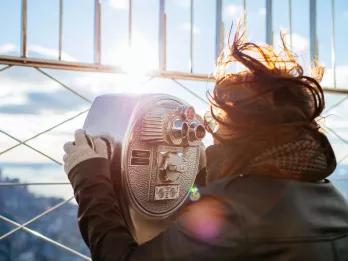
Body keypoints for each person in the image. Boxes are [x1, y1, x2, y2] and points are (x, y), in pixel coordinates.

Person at [63, 27, 348, 261]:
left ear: (244, 131)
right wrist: (200, 175)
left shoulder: (234, 211)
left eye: (222, 123)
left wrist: (89, 177)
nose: (212, 133)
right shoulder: (333, 200)